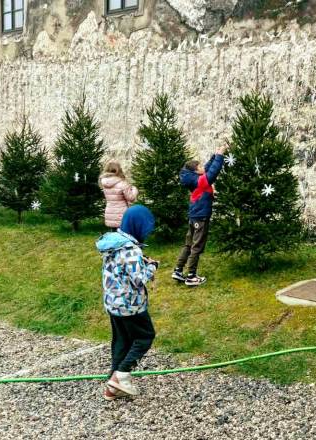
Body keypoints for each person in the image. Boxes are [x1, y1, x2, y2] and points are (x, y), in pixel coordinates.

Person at [95, 205, 159, 401]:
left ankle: (111, 387)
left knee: (122, 341)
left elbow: (121, 271)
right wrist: (152, 266)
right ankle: (122, 375)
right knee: (145, 337)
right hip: (130, 305)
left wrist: (141, 262)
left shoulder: (113, 243)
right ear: (137, 225)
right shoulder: (130, 249)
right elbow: (139, 279)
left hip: (113, 303)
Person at [172, 145, 227, 287]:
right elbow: (212, 172)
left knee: (189, 244)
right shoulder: (200, 181)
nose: (203, 167)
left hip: (194, 216)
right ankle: (191, 276)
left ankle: (178, 270)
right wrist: (220, 156)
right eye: (200, 166)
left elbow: (207, 168)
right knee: (197, 246)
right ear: (196, 171)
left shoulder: (195, 179)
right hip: (201, 217)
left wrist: (214, 155)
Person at [100, 161, 139, 230]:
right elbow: (131, 198)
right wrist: (134, 189)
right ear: (119, 170)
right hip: (121, 213)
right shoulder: (122, 184)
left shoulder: (104, 183)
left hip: (110, 212)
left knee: (113, 233)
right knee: (123, 234)